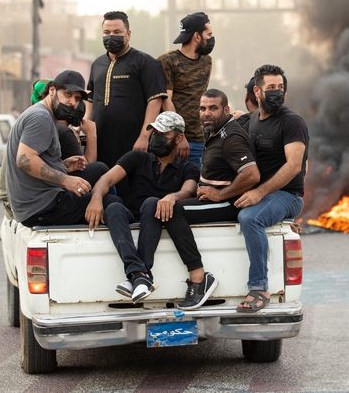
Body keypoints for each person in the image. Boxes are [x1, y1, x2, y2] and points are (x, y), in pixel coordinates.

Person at [133, 89, 260, 309]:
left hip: (229, 203)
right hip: (215, 199)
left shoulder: (230, 136)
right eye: (202, 108)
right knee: (171, 206)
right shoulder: (214, 131)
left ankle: (199, 278)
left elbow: (251, 174)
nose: (206, 113)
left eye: (213, 108)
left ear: (226, 110)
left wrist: (219, 194)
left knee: (175, 211)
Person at [84, 112, 218, 309]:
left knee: (151, 202)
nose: (156, 137)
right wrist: (96, 198)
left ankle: (139, 274)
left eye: (163, 133)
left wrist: (172, 197)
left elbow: (189, 189)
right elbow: (107, 179)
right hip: (132, 219)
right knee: (112, 206)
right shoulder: (137, 158)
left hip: (160, 220)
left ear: (179, 138)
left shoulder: (188, 168)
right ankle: (140, 275)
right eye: (154, 132)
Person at [234, 64, 309, 312]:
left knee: (249, 217)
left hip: (288, 195)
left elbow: (294, 166)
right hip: (267, 196)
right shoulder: (252, 120)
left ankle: (259, 287)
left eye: (280, 87)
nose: (277, 92)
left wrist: (259, 193)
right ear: (257, 91)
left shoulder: (291, 122)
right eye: (271, 87)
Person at [6, 70, 120, 227]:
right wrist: (65, 180)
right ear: (52, 90)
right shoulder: (41, 118)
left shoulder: (45, 114)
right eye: (67, 94)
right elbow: (24, 161)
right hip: (40, 207)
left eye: (77, 98)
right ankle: (131, 250)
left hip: (41, 199)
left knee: (99, 168)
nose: (72, 102)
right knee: (112, 203)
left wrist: (61, 166)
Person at [86, 10, 167, 204]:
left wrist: (145, 136)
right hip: (100, 142)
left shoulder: (145, 62)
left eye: (117, 31)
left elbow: (155, 100)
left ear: (128, 34)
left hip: (132, 142)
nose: (111, 36)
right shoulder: (97, 64)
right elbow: (90, 99)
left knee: (131, 192)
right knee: (102, 190)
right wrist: (85, 128)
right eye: (106, 32)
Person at [158, 12, 214, 165]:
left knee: (198, 186)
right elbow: (165, 101)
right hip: (174, 141)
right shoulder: (168, 61)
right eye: (209, 34)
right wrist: (179, 135)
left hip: (200, 139)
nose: (211, 38)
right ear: (197, 36)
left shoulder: (207, 62)